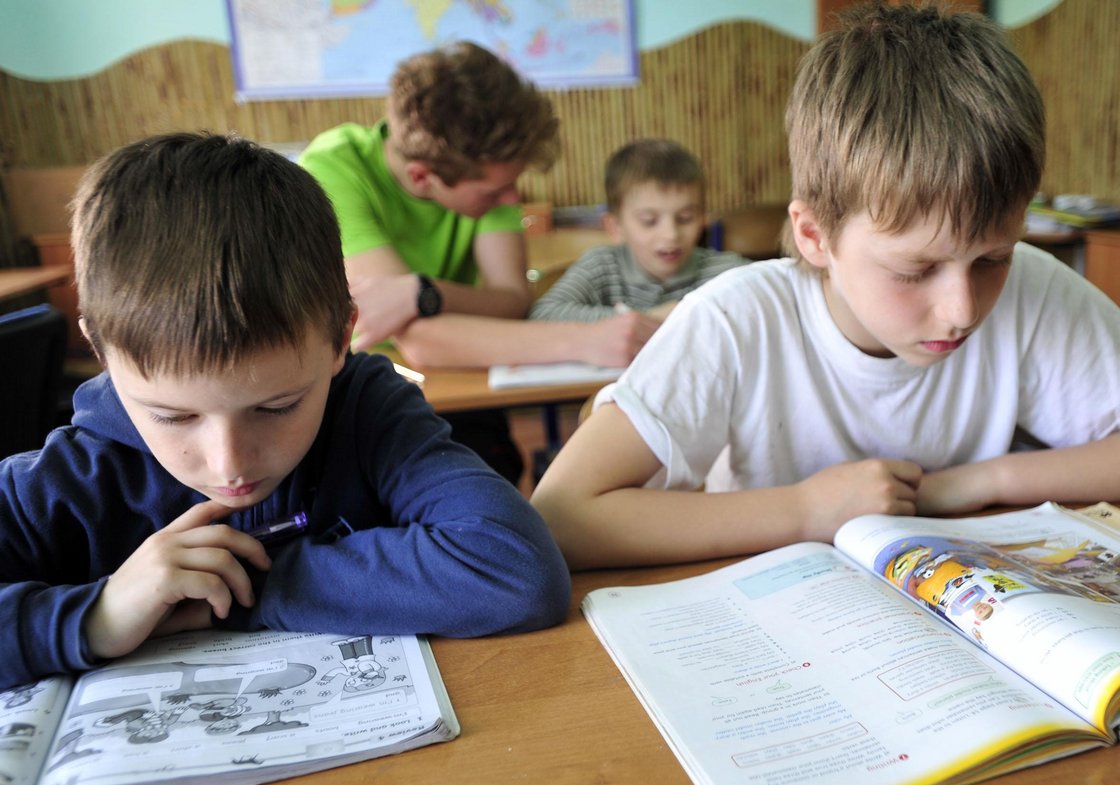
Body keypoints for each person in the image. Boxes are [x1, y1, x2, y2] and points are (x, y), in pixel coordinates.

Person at [531, 3, 1120, 570]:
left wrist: (987, 479)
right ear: (815, 235)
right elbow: (560, 516)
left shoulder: (1035, 288)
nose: (962, 309)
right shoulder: (735, 320)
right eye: (913, 271)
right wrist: (805, 509)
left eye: (993, 258)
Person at [0, 132, 571, 692]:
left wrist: (241, 589)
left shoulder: (368, 410)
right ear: (101, 352)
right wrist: (96, 617)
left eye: (277, 406)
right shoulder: (70, 478)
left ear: (340, 339)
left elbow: (516, 569)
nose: (230, 464)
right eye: (173, 417)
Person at [299, 42, 659, 483]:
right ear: (421, 177)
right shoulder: (334, 169)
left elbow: (512, 298)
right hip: (360, 399)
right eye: (493, 193)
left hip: (468, 387)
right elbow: (423, 342)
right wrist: (587, 340)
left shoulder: (482, 171)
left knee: (498, 472)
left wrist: (424, 293)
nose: (511, 201)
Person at [529, 139, 744, 323]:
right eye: (649, 221)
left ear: (703, 219)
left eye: (685, 218)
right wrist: (647, 320)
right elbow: (543, 314)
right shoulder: (602, 266)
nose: (671, 234)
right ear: (615, 227)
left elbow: (763, 296)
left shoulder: (725, 272)